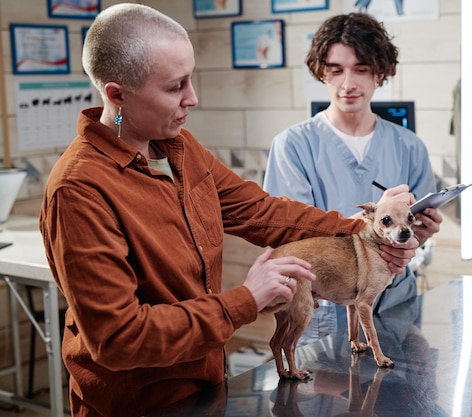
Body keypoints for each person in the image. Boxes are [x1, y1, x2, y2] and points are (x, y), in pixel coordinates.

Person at [38, 4, 420, 417]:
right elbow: (119, 339)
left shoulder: (181, 150)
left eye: (192, 79)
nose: (193, 98)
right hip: (139, 403)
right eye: (175, 86)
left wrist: (367, 230)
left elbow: (263, 212)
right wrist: (245, 300)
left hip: (204, 385)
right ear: (117, 95)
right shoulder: (79, 190)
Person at [263, 13, 442, 346]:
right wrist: (371, 222)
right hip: (326, 309)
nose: (348, 84)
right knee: (322, 398)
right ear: (321, 72)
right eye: (336, 70)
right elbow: (293, 239)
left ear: (380, 72)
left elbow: (414, 234)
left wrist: (421, 231)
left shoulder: (408, 146)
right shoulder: (293, 147)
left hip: (395, 305)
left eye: (361, 69)